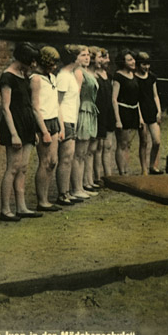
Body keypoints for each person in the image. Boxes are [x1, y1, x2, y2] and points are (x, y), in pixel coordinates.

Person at [0, 42, 42, 221]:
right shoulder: (7, 77)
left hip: (26, 124)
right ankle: (5, 209)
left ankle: (21, 206)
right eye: (31, 61)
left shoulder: (24, 76)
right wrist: (14, 133)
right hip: (14, 125)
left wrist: (34, 130)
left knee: (23, 168)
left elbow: (29, 105)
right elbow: (5, 108)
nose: (34, 65)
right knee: (13, 168)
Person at [30, 46, 62, 212]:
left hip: (54, 121)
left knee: (53, 162)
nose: (54, 67)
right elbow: (35, 107)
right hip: (42, 122)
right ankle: (42, 200)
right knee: (45, 162)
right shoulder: (35, 79)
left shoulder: (52, 77)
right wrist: (44, 131)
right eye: (51, 63)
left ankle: (47, 197)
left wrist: (60, 126)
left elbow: (56, 103)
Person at [55, 45, 82, 206]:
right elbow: (58, 102)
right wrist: (62, 126)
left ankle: (66, 191)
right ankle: (62, 193)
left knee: (69, 157)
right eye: (80, 55)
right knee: (65, 158)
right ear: (74, 58)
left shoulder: (70, 75)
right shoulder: (63, 76)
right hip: (65, 120)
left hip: (71, 118)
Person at [71, 45, 99, 199]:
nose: (87, 57)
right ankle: (76, 188)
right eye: (83, 55)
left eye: (88, 55)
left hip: (90, 111)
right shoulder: (78, 73)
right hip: (82, 111)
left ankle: (81, 186)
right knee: (79, 153)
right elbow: (75, 97)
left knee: (84, 153)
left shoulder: (87, 72)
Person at [112, 49, 141, 175]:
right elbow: (114, 99)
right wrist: (118, 119)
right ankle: (121, 172)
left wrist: (140, 117)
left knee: (128, 144)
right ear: (123, 62)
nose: (133, 62)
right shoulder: (118, 76)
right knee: (122, 143)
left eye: (133, 59)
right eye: (129, 60)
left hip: (133, 111)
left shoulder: (133, 76)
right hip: (123, 111)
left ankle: (126, 168)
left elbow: (137, 98)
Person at [135, 51, 162, 175]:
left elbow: (155, 95)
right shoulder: (135, 79)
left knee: (156, 141)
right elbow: (135, 99)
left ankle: (152, 165)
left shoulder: (151, 77)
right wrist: (139, 116)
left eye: (148, 64)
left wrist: (159, 110)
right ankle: (144, 168)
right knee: (144, 141)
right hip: (141, 111)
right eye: (143, 65)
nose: (146, 67)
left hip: (152, 110)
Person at [93, 48, 115, 180]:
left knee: (108, 145)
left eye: (107, 57)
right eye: (103, 57)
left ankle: (109, 175)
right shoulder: (94, 76)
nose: (107, 60)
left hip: (108, 113)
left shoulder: (109, 76)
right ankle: (97, 176)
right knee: (98, 146)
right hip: (98, 114)